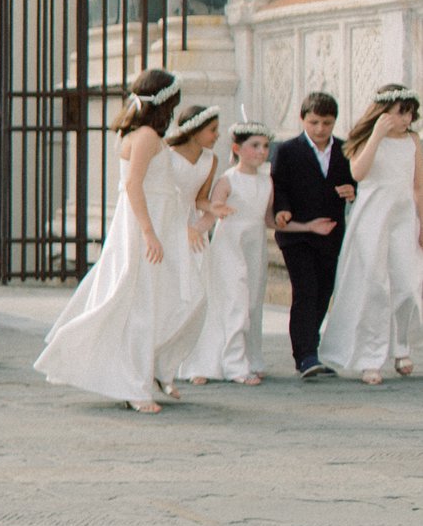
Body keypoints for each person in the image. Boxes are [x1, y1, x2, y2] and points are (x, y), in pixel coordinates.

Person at [34, 75, 213, 411]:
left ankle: (155, 366)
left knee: (177, 296)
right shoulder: (144, 136)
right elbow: (133, 185)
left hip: (160, 219)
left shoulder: (145, 134)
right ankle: (135, 385)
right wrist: (148, 232)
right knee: (141, 301)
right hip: (144, 223)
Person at [316, 85, 423, 385]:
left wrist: (422, 221)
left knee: (407, 281)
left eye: (410, 113)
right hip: (372, 216)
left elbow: (418, 186)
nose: (407, 119)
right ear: (384, 112)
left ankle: (401, 347)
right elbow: (359, 173)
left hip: (403, 216)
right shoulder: (365, 139)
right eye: (402, 112)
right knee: (374, 284)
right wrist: (376, 135)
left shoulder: (414, 140)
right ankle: (369, 357)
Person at [271, 90, 358, 378]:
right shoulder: (287, 150)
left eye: (327, 123)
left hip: (331, 233)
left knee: (324, 291)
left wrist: (352, 192)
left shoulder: (346, 150)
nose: (320, 129)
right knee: (305, 290)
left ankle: (312, 350)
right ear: (303, 120)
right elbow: (279, 186)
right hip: (297, 233)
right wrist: (282, 211)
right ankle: (305, 355)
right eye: (314, 122)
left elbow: (355, 182)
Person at [183, 120, 273, 386]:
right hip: (230, 244)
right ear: (237, 148)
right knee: (234, 300)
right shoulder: (227, 180)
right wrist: (195, 230)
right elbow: (213, 213)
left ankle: (248, 357)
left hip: (254, 245)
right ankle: (234, 366)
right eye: (254, 146)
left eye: (266, 146)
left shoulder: (268, 181)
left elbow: (268, 218)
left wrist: (299, 223)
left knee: (252, 302)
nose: (261, 151)